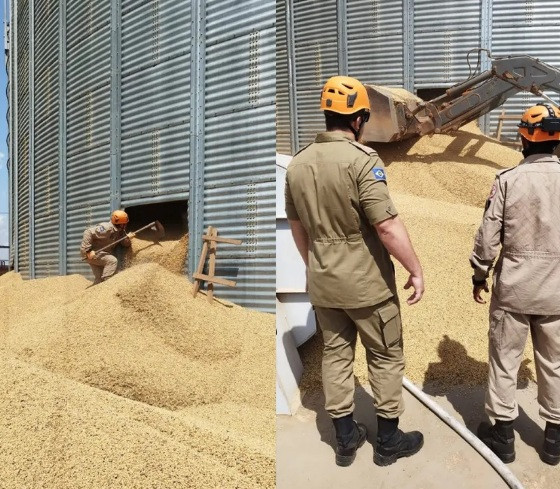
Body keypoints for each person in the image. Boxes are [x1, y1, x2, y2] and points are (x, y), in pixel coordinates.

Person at [285, 75, 425, 467]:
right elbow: (387, 226)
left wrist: (319, 268)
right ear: (360, 119)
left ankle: (345, 439)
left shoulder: (296, 166)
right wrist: (415, 269)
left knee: (335, 354)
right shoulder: (363, 161)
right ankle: (389, 441)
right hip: (368, 286)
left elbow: (300, 234)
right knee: (384, 355)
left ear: (327, 116)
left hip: (324, 283)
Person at [470, 103, 560, 465]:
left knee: (505, 361)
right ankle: (554, 440)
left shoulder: (508, 180)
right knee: (555, 364)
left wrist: (479, 274)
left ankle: (503, 437)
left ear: (523, 137)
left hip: (514, 290)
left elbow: (488, 236)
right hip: (556, 293)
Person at [80, 210, 135, 285]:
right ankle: (106, 285)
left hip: (100, 254)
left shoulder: (120, 231)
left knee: (98, 279)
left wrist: (128, 238)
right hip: (92, 254)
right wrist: (88, 251)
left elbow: (125, 244)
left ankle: (96, 293)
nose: (126, 225)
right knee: (112, 261)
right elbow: (88, 232)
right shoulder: (106, 228)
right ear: (120, 224)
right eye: (124, 223)